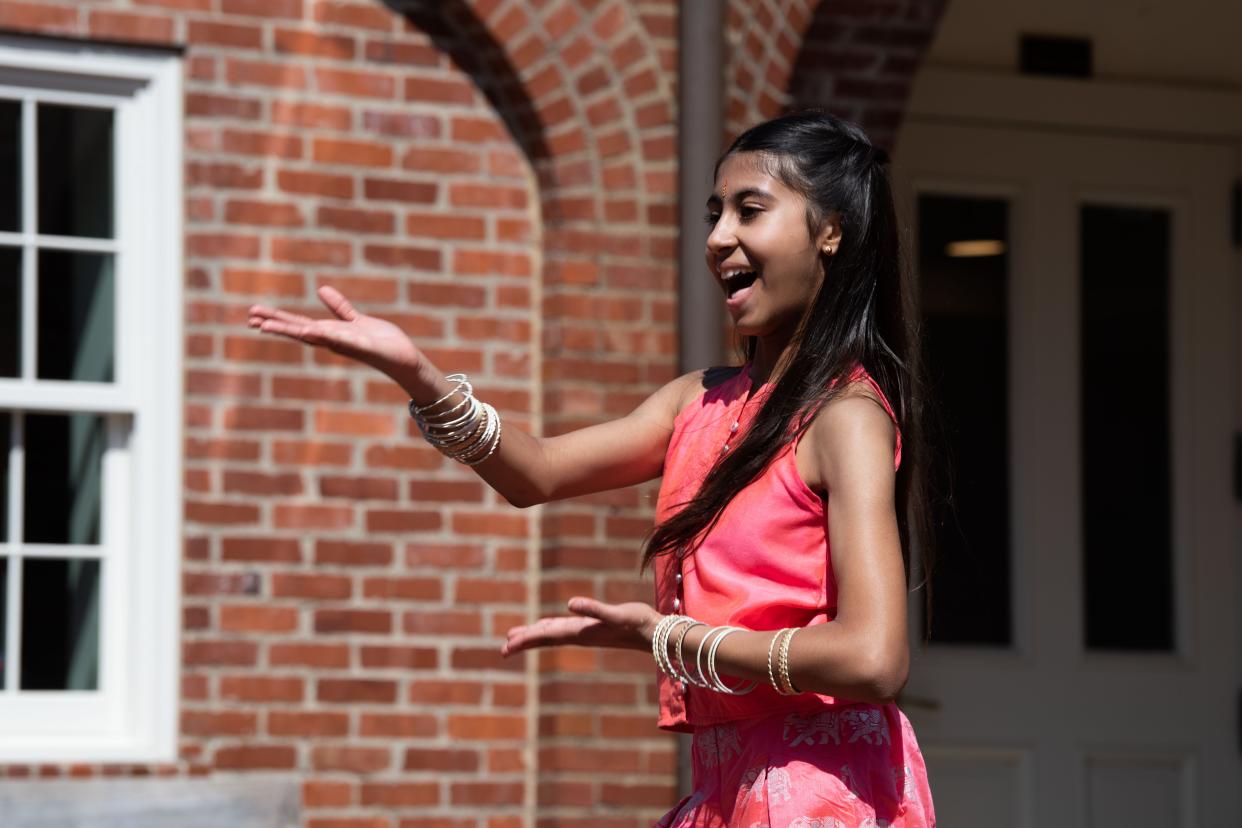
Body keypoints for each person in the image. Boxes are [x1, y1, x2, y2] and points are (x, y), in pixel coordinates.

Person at [249, 109, 936, 827]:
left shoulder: (845, 414)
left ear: (831, 231)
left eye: (750, 210)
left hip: (820, 785)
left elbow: (873, 656)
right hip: (726, 782)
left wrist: (669, 640)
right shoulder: (696, 402)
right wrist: (419, 375)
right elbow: (536, 473)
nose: (718, 237)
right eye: (714, 213)